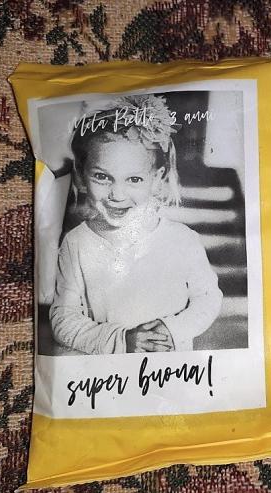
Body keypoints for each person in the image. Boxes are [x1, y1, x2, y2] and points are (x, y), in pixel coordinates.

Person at [49, 95, 223, 354]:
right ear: (81, 177)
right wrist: (120, 340)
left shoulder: (183, 239)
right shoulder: (76, 243)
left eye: (134, 179)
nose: (117, 194)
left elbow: (208, 298)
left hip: (172, 367)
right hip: (110, 370)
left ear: (157, 179)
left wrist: (173, 329)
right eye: (102, 177)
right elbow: (63, 317)